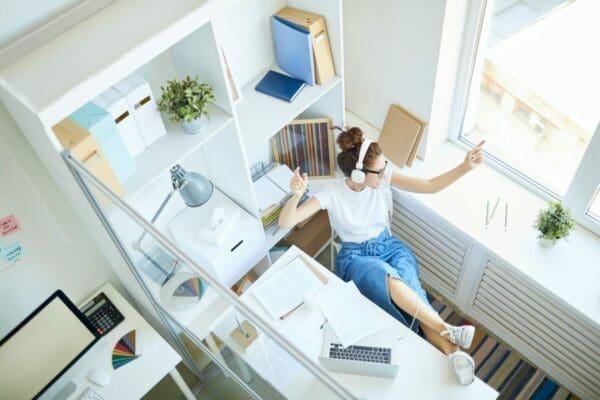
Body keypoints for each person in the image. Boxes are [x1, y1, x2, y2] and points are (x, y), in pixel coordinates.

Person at [278, 126, 485, 386]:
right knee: (386, 277)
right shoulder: (332, 193)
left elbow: (430, 186)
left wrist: (464, 166)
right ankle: (446, 331)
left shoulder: (381, 178)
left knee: (412, 290)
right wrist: (296, 196)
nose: (386, 173)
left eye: (385, 167)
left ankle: (454, 353)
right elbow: (287, 222)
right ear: (358, 174)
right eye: (380, 170)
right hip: (356, 258)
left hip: (389, 246)